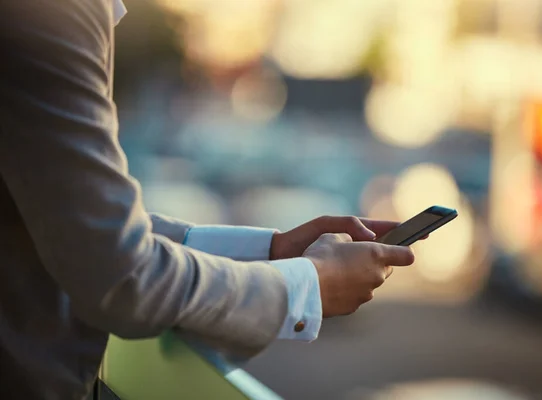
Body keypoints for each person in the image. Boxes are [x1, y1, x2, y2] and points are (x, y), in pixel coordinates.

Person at [0, 1, 416, 399]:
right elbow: (119, 274)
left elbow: (65, 221)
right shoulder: (52, 12)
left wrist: (270, 251)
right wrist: (308, 285)